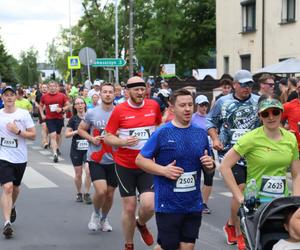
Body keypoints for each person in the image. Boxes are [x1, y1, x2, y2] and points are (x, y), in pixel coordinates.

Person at [136, 89, 215, 250]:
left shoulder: (200, 134)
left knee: (187, 247)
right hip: (168, 203)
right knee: (169, 246)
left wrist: (210, 165)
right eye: (182, 105)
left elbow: (209, 168)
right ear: (172, 108)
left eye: (190, 105)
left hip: (193, 203)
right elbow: (140, 160)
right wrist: (163, 170)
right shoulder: (162, 132)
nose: (187, 109)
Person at [220, 96, 300, 247]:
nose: (271, 117)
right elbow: (224, 166)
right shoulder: (250, 138)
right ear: (259, 116)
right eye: (265, 114)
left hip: (280, 204)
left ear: (281, 113)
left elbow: (297, 173)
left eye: (275, 112)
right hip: (255, 204)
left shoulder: (291, 138)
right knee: (254, 244)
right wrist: (239, 197)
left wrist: (296, 202)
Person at [104, 76, 162, 250]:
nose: (139, 92)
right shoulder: (119, 110)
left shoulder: (153, 106)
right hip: (125, 165)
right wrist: (123, 142)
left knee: (150, 204)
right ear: (127, 91)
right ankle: (129, 244)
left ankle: (141, 223)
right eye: (135, 89)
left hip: (146, 164)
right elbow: (107, 136)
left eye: (142, 89)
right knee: (129, 208)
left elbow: (158, 127)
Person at [206, 69, 260, 250]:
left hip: (253, 153)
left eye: (250, 84)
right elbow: (210, 122)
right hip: (230, 153)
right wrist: (215, 139)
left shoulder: (258, 101)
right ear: (234, 85)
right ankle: (239, 233)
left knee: (253, 192)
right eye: (243, 85)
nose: (247, 88)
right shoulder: (223, 102)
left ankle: (230, 223)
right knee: (241, 190)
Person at [78, 83, 117, 232]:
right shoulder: (92, 113)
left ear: (114, 94)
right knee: (101, 191)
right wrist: (91, 138)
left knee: (110, 194)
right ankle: (95, 213)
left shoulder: (119, 112)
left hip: (114, 159)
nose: (107, 94)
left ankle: (104, 218)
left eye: (110, 92)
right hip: (96, 158)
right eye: (105, 92)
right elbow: (81, 130)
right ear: (99, 94)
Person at [0, 86, 36, 238]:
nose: (9, 98)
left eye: (11, 95)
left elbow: (33, 136)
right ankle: (7, 223)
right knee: (7, 187)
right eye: (6, 95)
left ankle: (12, 206)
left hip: (20, 157)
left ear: (16, 97)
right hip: (3, 156)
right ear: (2, 98)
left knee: (15, 188)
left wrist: (18, 131)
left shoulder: (23, 114)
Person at [65, 97, 92, 204]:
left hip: (88, 148)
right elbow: (67, 134)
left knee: (89, 171)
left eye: (81, 103)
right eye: (77, 104)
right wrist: (77, 131)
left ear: (85, 105)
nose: (80, 105)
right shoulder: (73, 119)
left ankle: (87, 193)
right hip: (76, 149)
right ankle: (79, 193)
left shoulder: (90, 117)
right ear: (75, 107)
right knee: (78, 174)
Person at [191, 94, 215, 214]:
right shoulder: (192, 118)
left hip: (208, 151)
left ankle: (203, 203)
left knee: (209, 177)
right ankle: (193, 200)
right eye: (201, 105)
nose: (204, 107)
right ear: (197, 105)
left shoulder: (210, 118)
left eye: (205, 105)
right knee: (194, 177)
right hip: (195, 151)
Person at [39, 81, 70, 163]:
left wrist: (62, 109)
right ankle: (55, 154)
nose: (52, 88)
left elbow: (68, 105)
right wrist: (42, 114)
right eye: (50, 86)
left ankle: (57, 148)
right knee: (53, 135)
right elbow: (40, 106)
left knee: (58, 135)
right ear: (48, 88)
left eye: (54, 86)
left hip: (59, 118)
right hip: (49, 119)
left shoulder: (62, 95)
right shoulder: (44, 96)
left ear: (57, 87)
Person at [282, 80, 300, 153]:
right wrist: (283, 132)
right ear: (297, 89)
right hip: (295, 149)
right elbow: (275, 120)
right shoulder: (288, 106)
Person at [35, 83, 49, 148]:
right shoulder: (38, 95)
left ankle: (48, 141)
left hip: (49, 113)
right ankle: (44, 142)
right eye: (43, 87)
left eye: (45, 87)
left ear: (47, 88)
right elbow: (35, 101)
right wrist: (38, 105)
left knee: (48, 127)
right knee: (44, 126)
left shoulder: (50, 95)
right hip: (41, 112)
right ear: (41, 88)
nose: (44, 88)